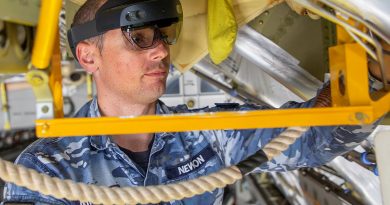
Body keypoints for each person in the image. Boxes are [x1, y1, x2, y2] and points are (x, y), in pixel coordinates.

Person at [2, 0, 390, 204]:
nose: (160, 52)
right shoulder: (46, 168)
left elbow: (309, 139)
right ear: (88, 56)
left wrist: (372, 75)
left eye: (163, 35)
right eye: (139, 38)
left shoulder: (210, 136)